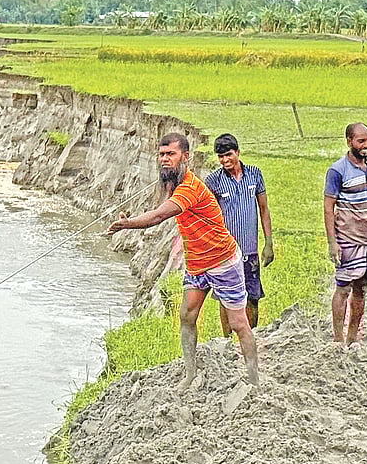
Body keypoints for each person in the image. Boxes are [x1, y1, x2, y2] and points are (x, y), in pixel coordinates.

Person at [107, 133, 259, 389]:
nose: (165, 159)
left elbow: (158, 216)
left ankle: (254, 380)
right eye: (162, 154)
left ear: (185, 157)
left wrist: (127, 224)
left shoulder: (190, 188)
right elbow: (161, 202)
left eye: (171, 154)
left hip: (222, 261)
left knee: (238, 323)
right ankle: (189, 374)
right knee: (187, 316)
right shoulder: (172, 183)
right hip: (197, 262)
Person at [324, 123, 367, 348]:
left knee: (362, 287)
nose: (366, 145)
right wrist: (332, 243)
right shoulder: (337, 170)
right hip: (347, 237)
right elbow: (328, 207)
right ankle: (337, 338)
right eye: (361, 141)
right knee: (343, 287)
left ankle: (352, 338)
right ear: (349, 141)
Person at [203, 133, 274, 332]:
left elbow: (264, 209)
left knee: (252, 297)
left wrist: (268, 243)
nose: (225, 160)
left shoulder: (254, 174)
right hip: (225, 253)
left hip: (250, 250)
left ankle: (252, 337)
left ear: (238, 152)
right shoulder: (213, 181)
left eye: (228, 155)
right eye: (221, 157)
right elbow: (209, 215)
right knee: (226, 299)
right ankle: (226, 343)